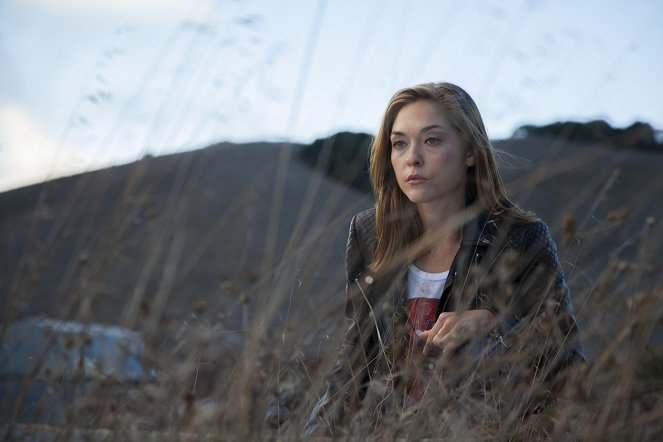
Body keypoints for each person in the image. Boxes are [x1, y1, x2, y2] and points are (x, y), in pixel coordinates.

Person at [305, 82, 585, 437]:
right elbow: (356, 354)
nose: (412, 158)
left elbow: (567, 365)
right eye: (399, 144)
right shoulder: (369, 233)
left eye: (432, 140)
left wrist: (495, 324)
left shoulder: (520, 239)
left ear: (470, 152)